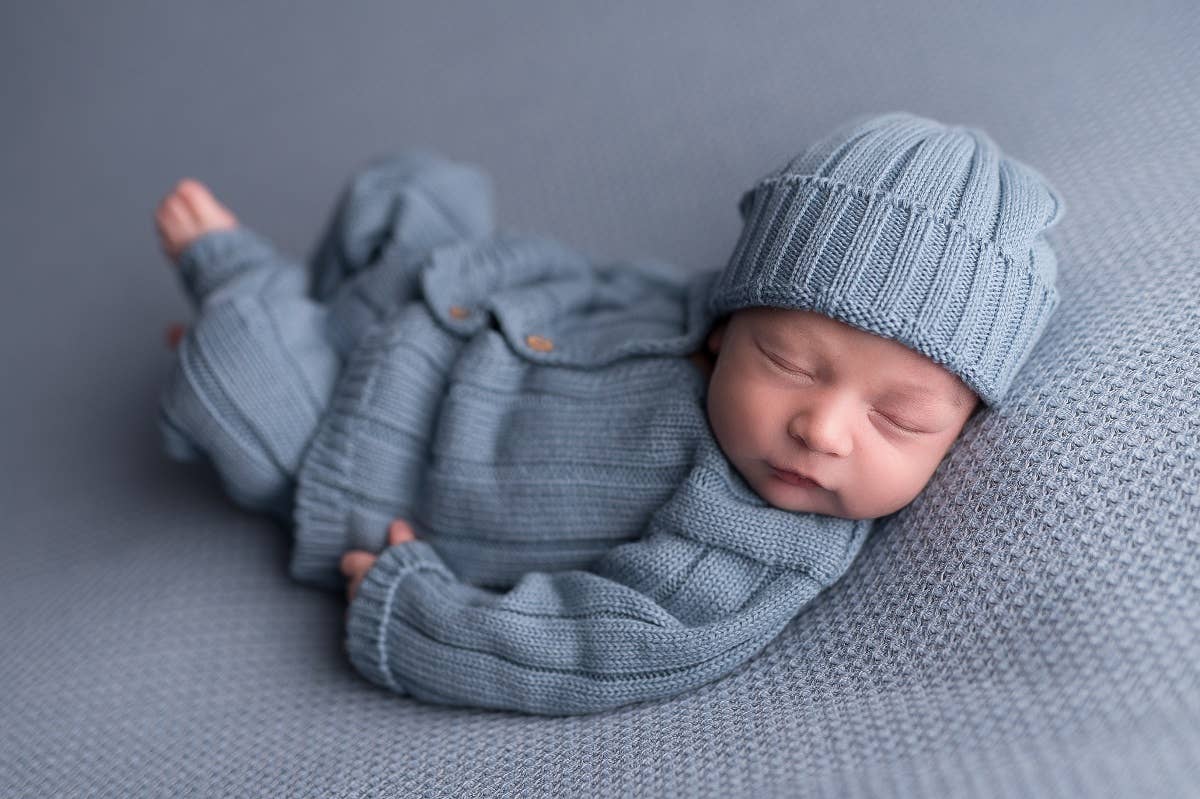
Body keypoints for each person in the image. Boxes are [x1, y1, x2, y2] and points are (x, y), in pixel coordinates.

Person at [152, 111, 1064, 715]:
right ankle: (310, 308)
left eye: (901, 419)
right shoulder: (702, 314)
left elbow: (595, 645)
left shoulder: (753, 535)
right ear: (732, 320)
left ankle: (241, 287)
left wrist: (420, 610)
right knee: (414, 183)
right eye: (787, 361)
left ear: (962, 423)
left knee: (232, 375)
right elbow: (614, 289)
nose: (823, 430)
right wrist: (508, 273)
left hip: (363, 451)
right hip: (459, 311)